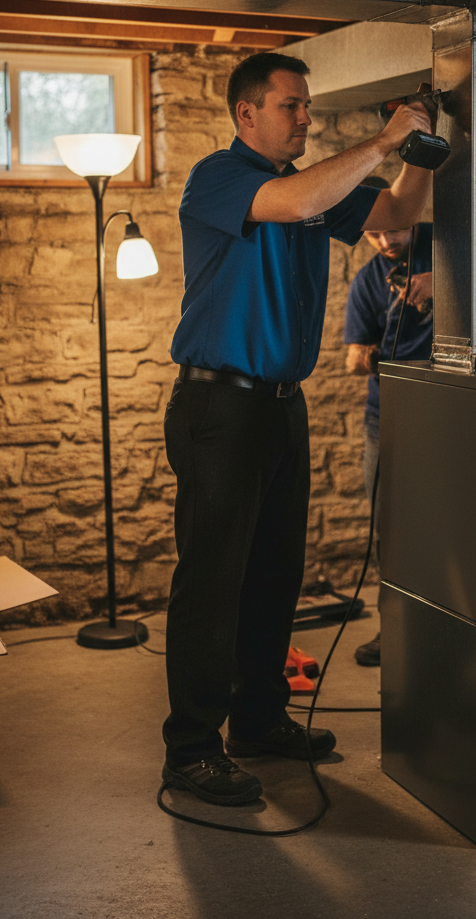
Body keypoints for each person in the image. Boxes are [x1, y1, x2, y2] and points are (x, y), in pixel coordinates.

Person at [162, 51, 432, 806]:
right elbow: (291, 200)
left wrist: (421, 148)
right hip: (219, 406)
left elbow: (399, 213)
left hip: (282, 404)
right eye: (292, 105)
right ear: (246, 113)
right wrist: (383, 140)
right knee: (213, 581)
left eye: (308, 105)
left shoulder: (319, 190)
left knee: (274, 574)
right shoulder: (219, 178)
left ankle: (256, 720)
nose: (306, 117)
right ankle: (190, 750)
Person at [343, 208, 433, 667]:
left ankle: (450, 624)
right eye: (372, 234)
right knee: (390, 528)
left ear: (411, 215)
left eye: (392, 230)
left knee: (454, 522)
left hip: (450, 411)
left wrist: (443, 282)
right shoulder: (367, 280)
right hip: (387, 417)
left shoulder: (453, 244)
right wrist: (371, 358)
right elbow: (353, 359)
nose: (384, 242)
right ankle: (394, 627)